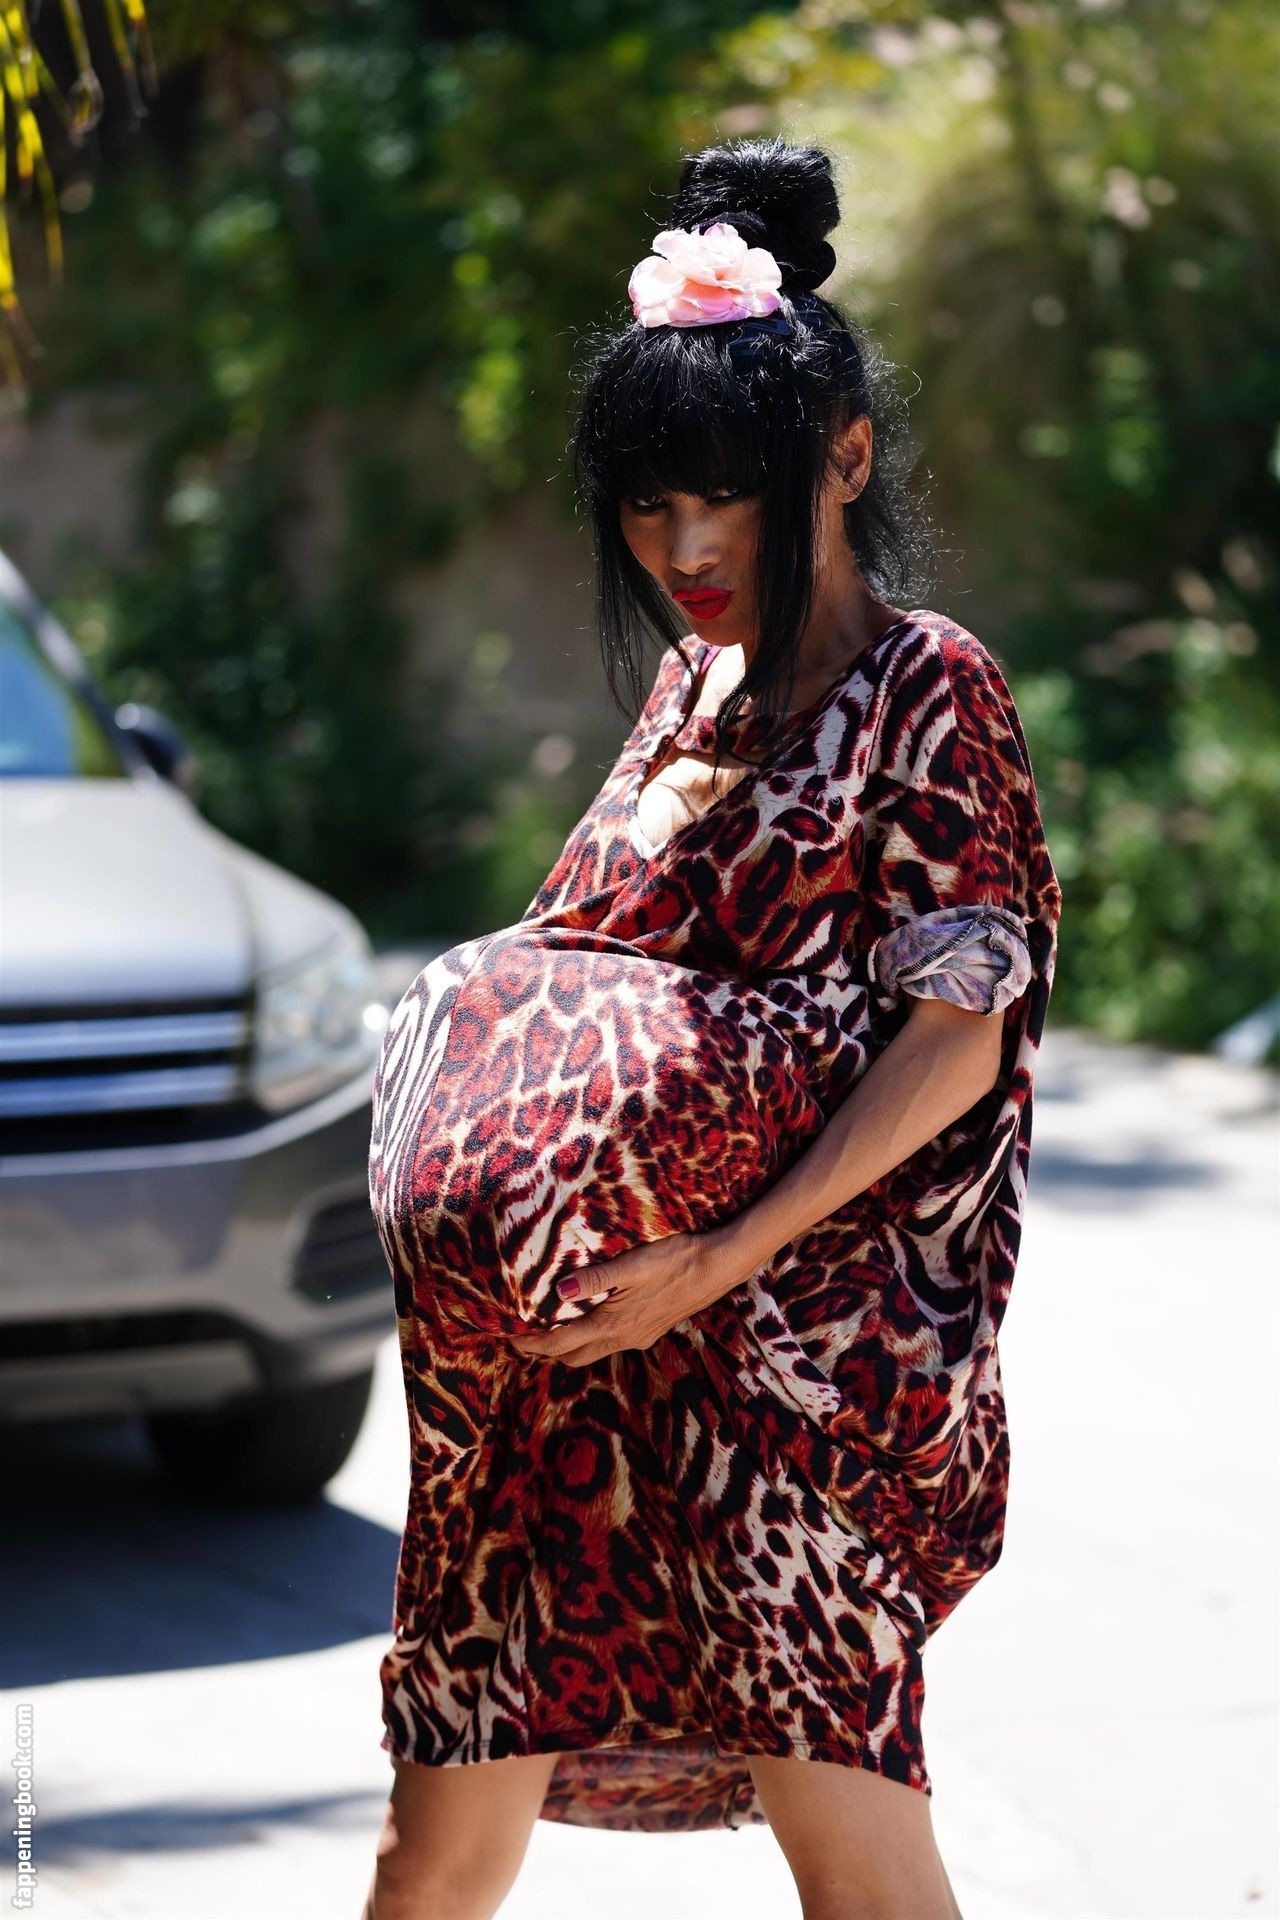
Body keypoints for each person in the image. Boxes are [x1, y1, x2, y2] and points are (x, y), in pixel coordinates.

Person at [361, 135, 1061, 1920]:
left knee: (859, 1869)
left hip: (780, 1391)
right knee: (429, 1860)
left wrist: (711, 1261)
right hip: (554, 1394)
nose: (682, 548)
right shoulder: (691, 688)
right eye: (646, 505)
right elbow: (585, 976)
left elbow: (957, 1039)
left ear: (845, 460)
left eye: (727, 500)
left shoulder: (927, 689)